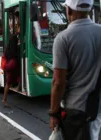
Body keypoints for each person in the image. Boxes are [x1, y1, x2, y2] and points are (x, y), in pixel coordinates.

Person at [49, 0, 101, 140]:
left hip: (75, 111)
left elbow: (58, 82)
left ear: (69, 10)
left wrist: (54, 114)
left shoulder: (63, 38)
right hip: (96, 107)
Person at [2, 35, 19, 107]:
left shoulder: (7, 48)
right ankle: (4, 99)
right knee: (9, 83)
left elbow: (5, 56)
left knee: (8, 83)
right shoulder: (17, 48)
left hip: (9, 67)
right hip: (14, 67)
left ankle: (5, 99)